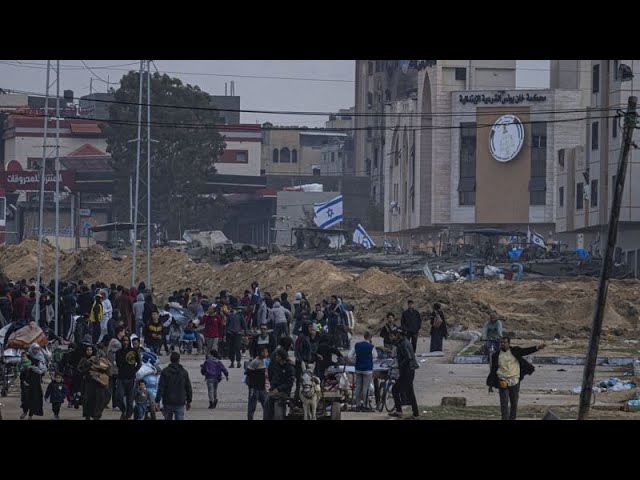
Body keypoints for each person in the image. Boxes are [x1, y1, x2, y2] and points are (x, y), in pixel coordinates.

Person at [486, 336, 545, 420]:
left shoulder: (515, 351)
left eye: (504, 342)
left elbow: (526, 351)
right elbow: (493, 370)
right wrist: (490, 385)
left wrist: (537, 347)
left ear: (509, 344)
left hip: (514, 380)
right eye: (501, 343)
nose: (502, 344)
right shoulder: (496, 355)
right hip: (502, 380)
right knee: (504, 403)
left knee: (514, 403)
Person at [388, 328, 420, 419]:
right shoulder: (403, 342)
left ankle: (402, 412)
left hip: (407, 371)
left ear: (399, 335)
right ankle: (414, 413)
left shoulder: (404, 344)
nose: (394, 336)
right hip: (408, 370)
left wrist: (399, 366)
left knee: (396, 389)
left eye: (396, 334)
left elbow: (408, 358)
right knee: (409, 392)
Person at [155, 351, 193, 420]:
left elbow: (161, 387)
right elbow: (188, 387)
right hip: (180, 401)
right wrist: (189, 401)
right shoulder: (183, 372)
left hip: (167, 401)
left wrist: (157, 400)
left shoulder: (165, 371)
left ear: (170, 359)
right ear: (179, 360)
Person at [349, 331, 378, 411]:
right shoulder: (371, 346)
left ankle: (357, 405)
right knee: (366, 388)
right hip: (367, 369)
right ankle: (365, 406)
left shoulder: (357, 345)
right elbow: (375, 356)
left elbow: (349, 355)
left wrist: (355, 361)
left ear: (364, 336)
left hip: (358, 368)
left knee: (358, 387)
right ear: (370, 338)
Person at [264, 349, 295, 421]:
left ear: (281, 357)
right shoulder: (277, 366)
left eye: (277, 355)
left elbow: (289, 383)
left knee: (272, 400)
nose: (276, 357)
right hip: (275, 390)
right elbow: (274, 378)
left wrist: (278, 389)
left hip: (284, 391)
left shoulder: (289, 367)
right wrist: (272, 387)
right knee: (267, 400)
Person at [116, 335, 142, 420]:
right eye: (124, 340)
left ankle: (128, 415)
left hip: (131, 378)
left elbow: (139, 363)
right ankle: (123, 410)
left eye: (127, 340)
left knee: (130, 400)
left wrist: (134, 370)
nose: (125, 342)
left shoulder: (133, 351)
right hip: (121, 377)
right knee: (119, 396)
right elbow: (118, 364)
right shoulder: (118, 352)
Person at [19, 344, 47, 419]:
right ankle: (24, 412)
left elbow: (43, 370)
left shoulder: (40, 358)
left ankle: (30, 415)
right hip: (26, 380)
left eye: (38, 349)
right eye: (34, 349)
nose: (36, 350)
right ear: (31, 348)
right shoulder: (27, 356)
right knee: (25, 398)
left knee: (34, 398)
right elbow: (20, 366)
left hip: (35, 381)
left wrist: (34, 368)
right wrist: (25, 368)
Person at [246, 346, 269, 420]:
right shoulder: (255, 362)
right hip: (254, 387)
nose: (266, 353)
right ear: (261, 352)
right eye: (265, 352)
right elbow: (248, 372)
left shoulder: (264, 361)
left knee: (266, 405)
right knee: (252, 406)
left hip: (262, 387)